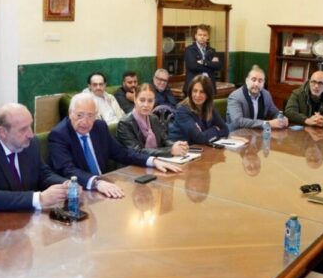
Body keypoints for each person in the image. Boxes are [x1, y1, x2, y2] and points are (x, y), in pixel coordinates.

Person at [49, 93, 182, 199]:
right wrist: (97, 182)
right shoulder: (59, 135)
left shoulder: (99, 127)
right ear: (70, 113)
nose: (85, 121)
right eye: (79, 115)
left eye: (90, 116)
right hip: (80, 195)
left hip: (106, 191)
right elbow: (67, 170)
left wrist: (152, 160)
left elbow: (122, 153)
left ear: (96, 115)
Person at [0, 103, 70, 212]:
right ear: (3, 132)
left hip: (28, 217)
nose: (31, 134)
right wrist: (39, 198)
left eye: (30, 125)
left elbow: (43, 173)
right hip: (0, 220)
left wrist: (66, 185)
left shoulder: (31, 143)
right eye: (23, 129)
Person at [117, 84, 189, 157]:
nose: (146, 105)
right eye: (142, 100)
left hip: (156, 160)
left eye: (150, 101)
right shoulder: (125, 123)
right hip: (133, 166)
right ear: (135, 99)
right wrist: (170, 151)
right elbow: (136, 152)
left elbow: (164, 140)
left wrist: (177, 146)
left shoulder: (154, 118)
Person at [226, 64, 288, 131]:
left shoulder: (266, 95)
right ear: (247, 81)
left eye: (260, 81)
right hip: (236, 135)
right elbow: (238, 122)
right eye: (253, 80)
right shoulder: (236, 96)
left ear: (263, 83)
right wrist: (267, 123)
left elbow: (275, 112)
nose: (256, 84)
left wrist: (282, 118)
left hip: (257, 133)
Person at [169, 74, 229, 144]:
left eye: (202, 92)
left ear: (208, 94)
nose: (197, 95)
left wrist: (206, 135)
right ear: (190, 92)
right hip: (181, 150)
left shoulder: (210, 107)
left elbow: (225, 130)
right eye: (195, 91)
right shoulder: (182, 110)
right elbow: (199, 138)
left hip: (200, 149)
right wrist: (215, 129)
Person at [183, 24, 221, 94]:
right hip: (193, 86)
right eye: (200, 35)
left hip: (209, 87)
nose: (202, 37)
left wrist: (203, 62)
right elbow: (193, 66)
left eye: (204, 35)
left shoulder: (212, 50)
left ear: (208, 37)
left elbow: (218, 66)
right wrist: (211, 66)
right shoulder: (189, 49)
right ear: (196, 36)